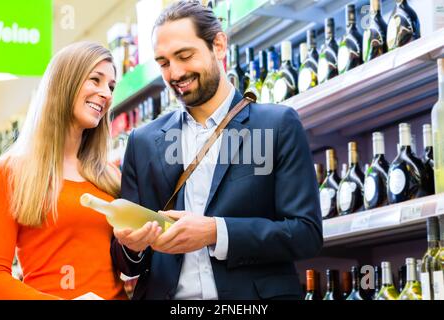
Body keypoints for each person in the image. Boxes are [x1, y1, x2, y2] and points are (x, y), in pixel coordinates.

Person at [111, 1, 322, 300]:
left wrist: (215, 232)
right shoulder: (142, 142)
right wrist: (131, 245)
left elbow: (306, 234)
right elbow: (125, 263)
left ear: (219, 45)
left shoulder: (277, 125)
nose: (175, 72)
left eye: (185, 56)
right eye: (163, 63)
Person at [0, 42, 128, 300]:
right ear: (65, 83)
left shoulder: (110, 177)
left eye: (111, 87)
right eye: (95, 80)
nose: (107, 94)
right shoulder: (10, 172)